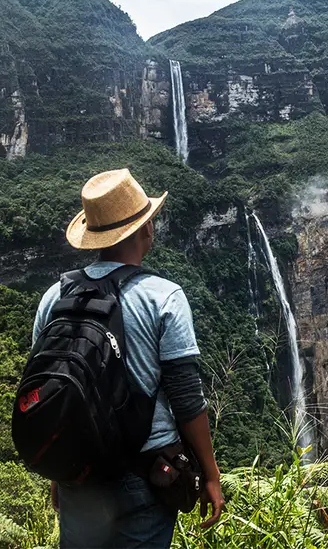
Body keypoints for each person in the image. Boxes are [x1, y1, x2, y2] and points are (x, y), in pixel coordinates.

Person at [30, 169, 225, 548]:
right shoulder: (163, 297)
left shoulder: (54, 297)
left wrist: (60, 471)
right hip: (147, 475)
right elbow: (186, 399)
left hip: (78, 473)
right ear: (145, 228)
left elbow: (54, 390)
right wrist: (211, 475)